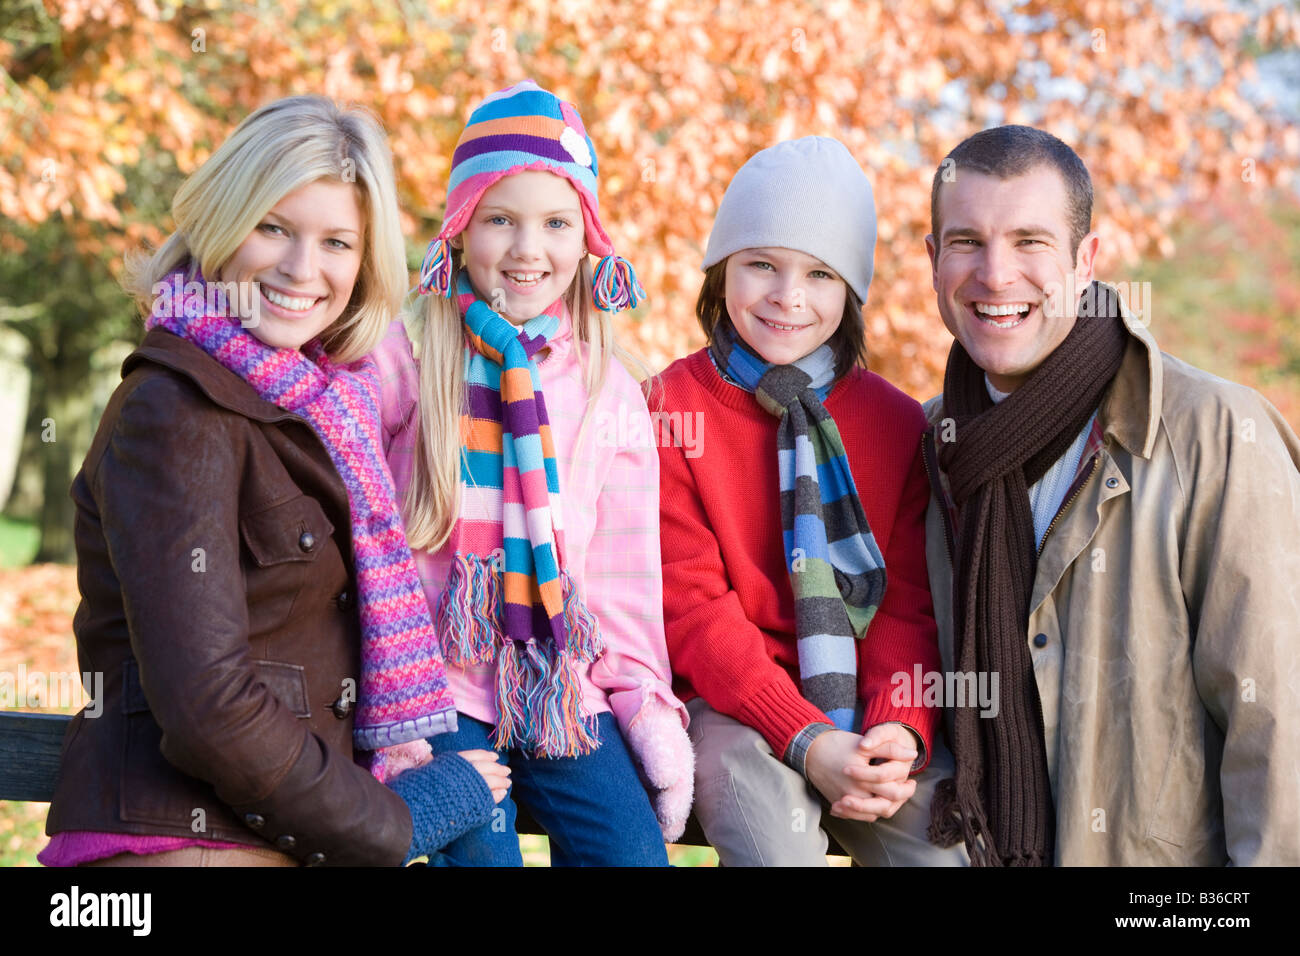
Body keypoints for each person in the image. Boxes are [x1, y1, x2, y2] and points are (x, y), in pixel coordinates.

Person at [40, 95, 509, 868]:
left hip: (264, 834)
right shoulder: (176, 410)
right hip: (180, 839)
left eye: (336, 242)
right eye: (274, 229)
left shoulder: (321, 404)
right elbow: (206, 706)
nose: (302, 269)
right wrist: (387, 823)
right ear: (224, 225)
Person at [920, 124, 1300, 866]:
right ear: (934, 262)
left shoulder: (1214, 434)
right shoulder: (930, 448)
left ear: (1085, 260)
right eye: (967, 241)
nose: (996, 274)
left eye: (1030, 241)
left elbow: (1279, 722)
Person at [373, 80, 693, 867]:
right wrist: (397, 721)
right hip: (439, 693)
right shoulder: (409, 365)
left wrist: (646, 711)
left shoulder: (606, 389)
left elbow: (622, 584)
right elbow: (369, 550)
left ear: (587, 239)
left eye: (556, 222)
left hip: (558, 687)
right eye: (500, 220)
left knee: (631, 855)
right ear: (458, 231)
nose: (528, 250)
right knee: (482, 857)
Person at [654, 136, 966, 866]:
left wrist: (900, 727)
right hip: (731, 705)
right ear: (720, 268)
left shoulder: (893, 422)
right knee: (774, 845)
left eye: (820, 274)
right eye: (762, 262)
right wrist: (805, 737)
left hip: (859, 706)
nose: (787, 297)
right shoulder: (672, 407)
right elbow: (693, 610)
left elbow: (902, 604)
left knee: (946, 848)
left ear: (850, 293)